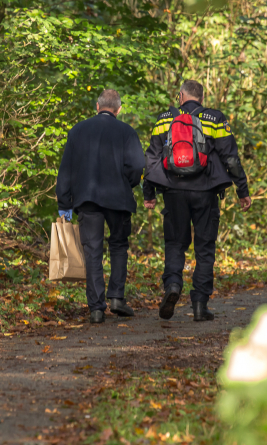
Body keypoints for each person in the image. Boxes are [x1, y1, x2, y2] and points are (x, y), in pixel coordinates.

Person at [143, 80, 251, 322]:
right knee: (204, 248)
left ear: (181, 96)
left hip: (172, 191)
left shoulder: (164, 119)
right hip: (206, 192)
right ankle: (200, 305)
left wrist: (148, 192)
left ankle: (172, 284)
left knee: (174, 244)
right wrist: (242, 190)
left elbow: (151, 158)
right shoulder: (214, 119)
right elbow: (231, 159)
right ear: (202, 98)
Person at [56, 89, 146, 324]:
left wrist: (64, 203)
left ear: (97, 106)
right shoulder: (127, 132)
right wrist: (128, 182)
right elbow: (138, 165)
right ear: (118, 109)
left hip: (87, 199)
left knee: (92, 252)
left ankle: (96, 308)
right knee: (118, 246)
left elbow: (65, 171)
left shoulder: (78, 131)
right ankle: (116, 298)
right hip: (118, 199)